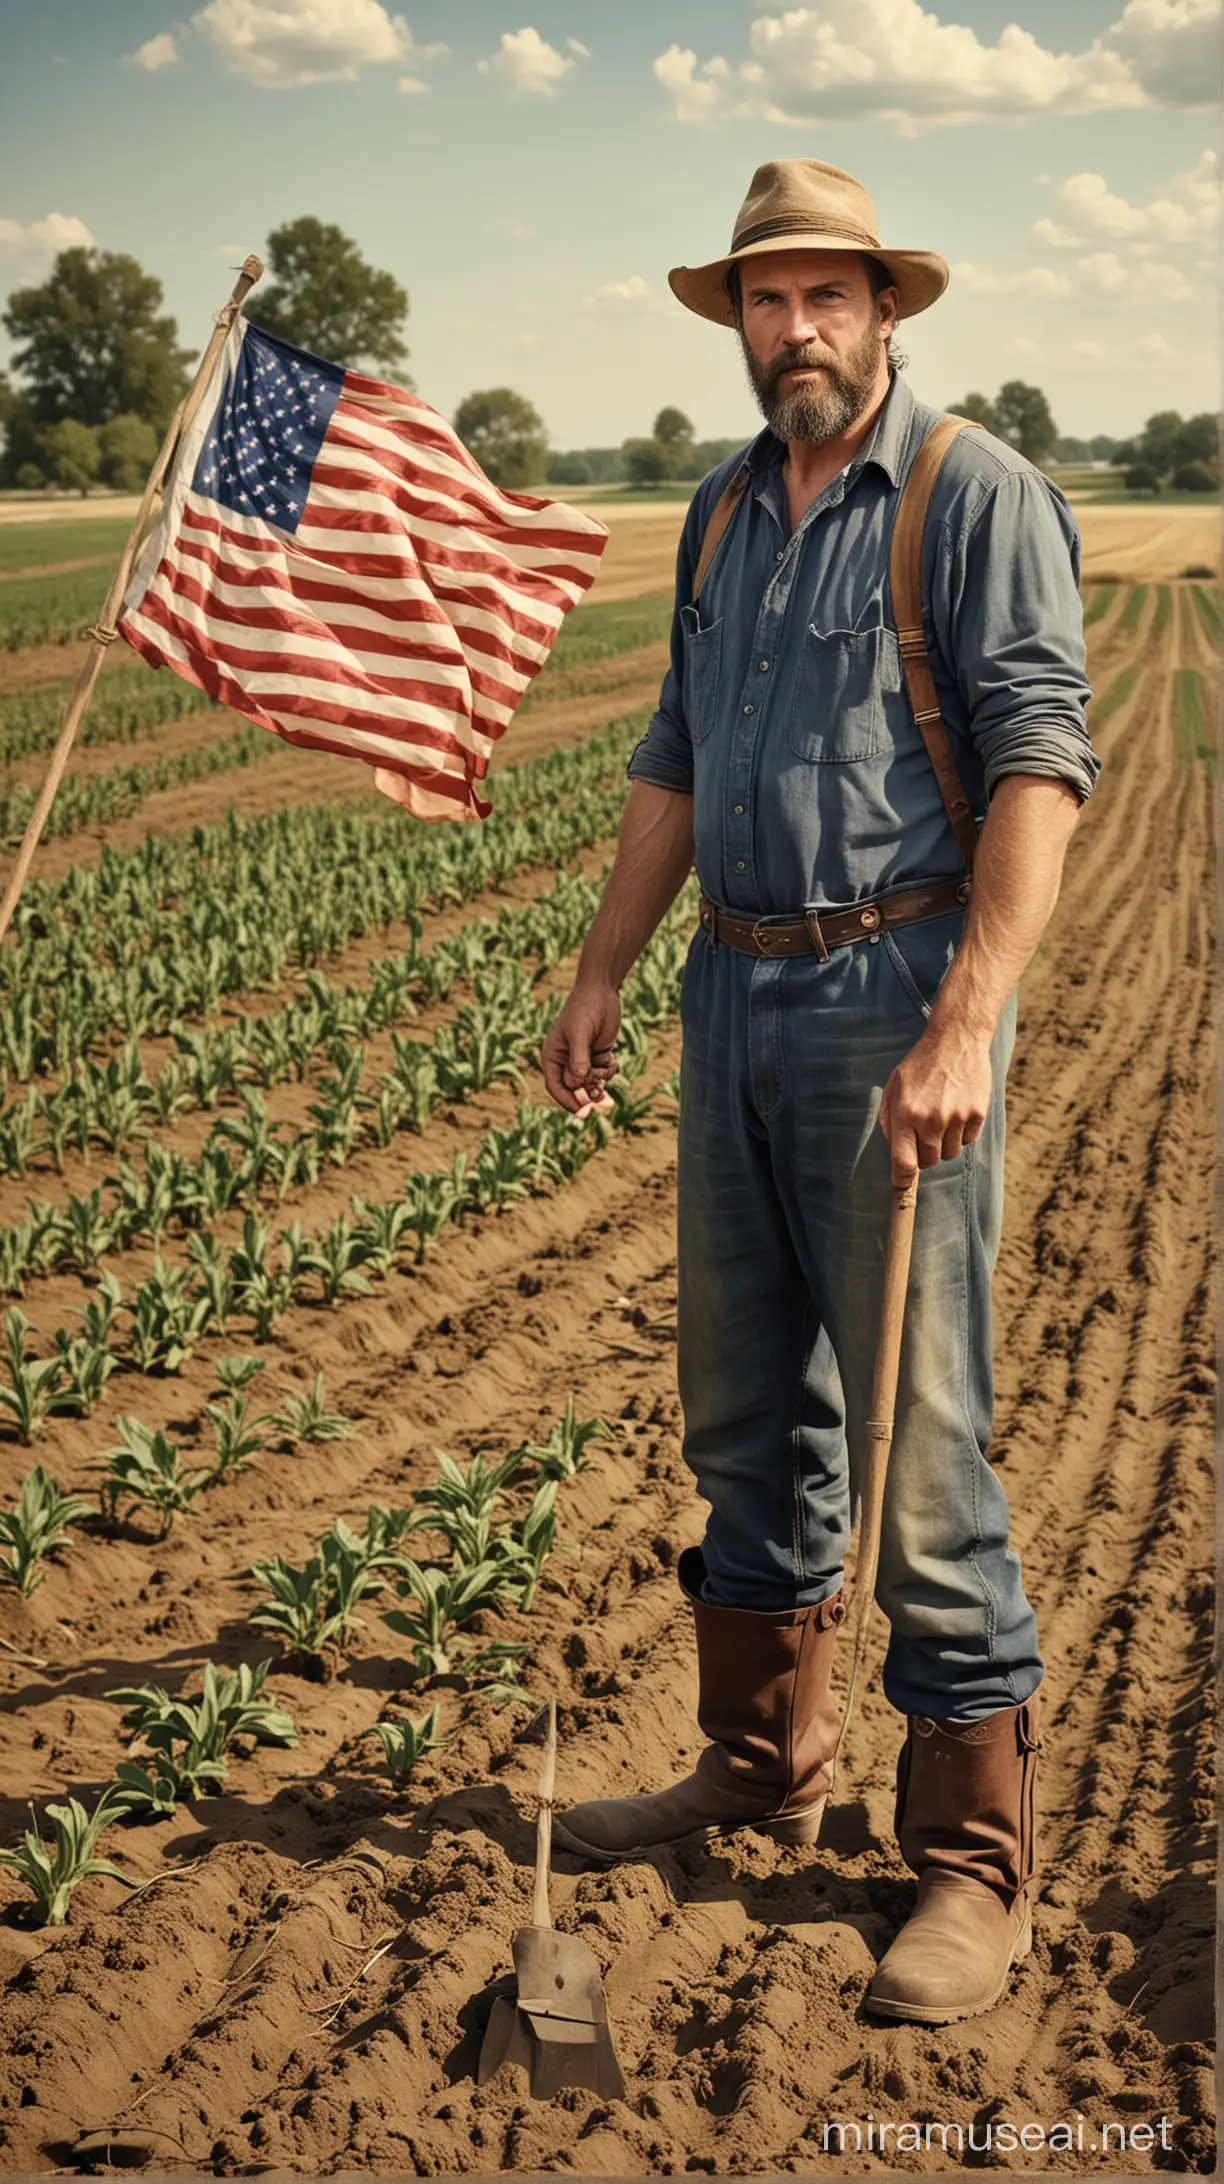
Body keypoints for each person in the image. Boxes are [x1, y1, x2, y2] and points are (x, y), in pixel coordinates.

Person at [539, 158, 1101, 2026]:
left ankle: (966, 1861)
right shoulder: (719, 519)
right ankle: (765, 1761)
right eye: (765, 301)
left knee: (923, 1434)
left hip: (897, 990)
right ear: (739, 319)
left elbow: (1036, 768)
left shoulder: (969, 494)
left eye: (826, 298)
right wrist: (609, 963)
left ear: (886, 310)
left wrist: (962, 1020)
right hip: (737, 990)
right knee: (743, 1402)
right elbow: (676, 757)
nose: (796, 330)